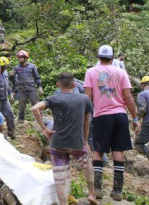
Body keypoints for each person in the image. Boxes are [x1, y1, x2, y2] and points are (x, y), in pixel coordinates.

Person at [32, 72, 98, 205]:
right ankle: (92, 193)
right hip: (77, 143)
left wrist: (44, 129)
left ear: (58, 84)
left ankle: (63, 203)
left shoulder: (53, 98)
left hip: (58, 144)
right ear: (74, 85)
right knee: (87, 165)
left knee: (60, 179)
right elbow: (87, 122)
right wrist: (85, 140)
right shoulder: (84, 99)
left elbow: (35, 108)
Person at [83, 45, 139, 201]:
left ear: (98, 57)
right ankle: (117, 191)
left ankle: (97, 190)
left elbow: (87, 97)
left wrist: (85, 118)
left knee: (98, 151)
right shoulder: (121, 72)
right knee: (118, 151)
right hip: (120, 115)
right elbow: (128, 96)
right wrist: (135, 118)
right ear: (113, 58)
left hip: (101, 116)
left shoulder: (91, 72)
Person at [13, 50, 43, 121]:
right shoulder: (16, 68)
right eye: (19, 57)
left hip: (31, 89)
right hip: (22, 90)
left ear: (26, 58)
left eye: (21, 57)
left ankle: (41, 119)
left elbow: (37, 77)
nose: (20, 59)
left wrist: (40, 86)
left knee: (36, 104)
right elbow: (13, 80)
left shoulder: (32, 66)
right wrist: (11, 76)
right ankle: (21, 121)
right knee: (21, 106)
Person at [0, 57, 16, 139]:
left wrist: (10, 92)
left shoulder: (5, 72)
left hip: (5, 97)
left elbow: (7, 84)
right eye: (4, 66)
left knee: (10, 114)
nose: (5, 68)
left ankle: (11, 132)